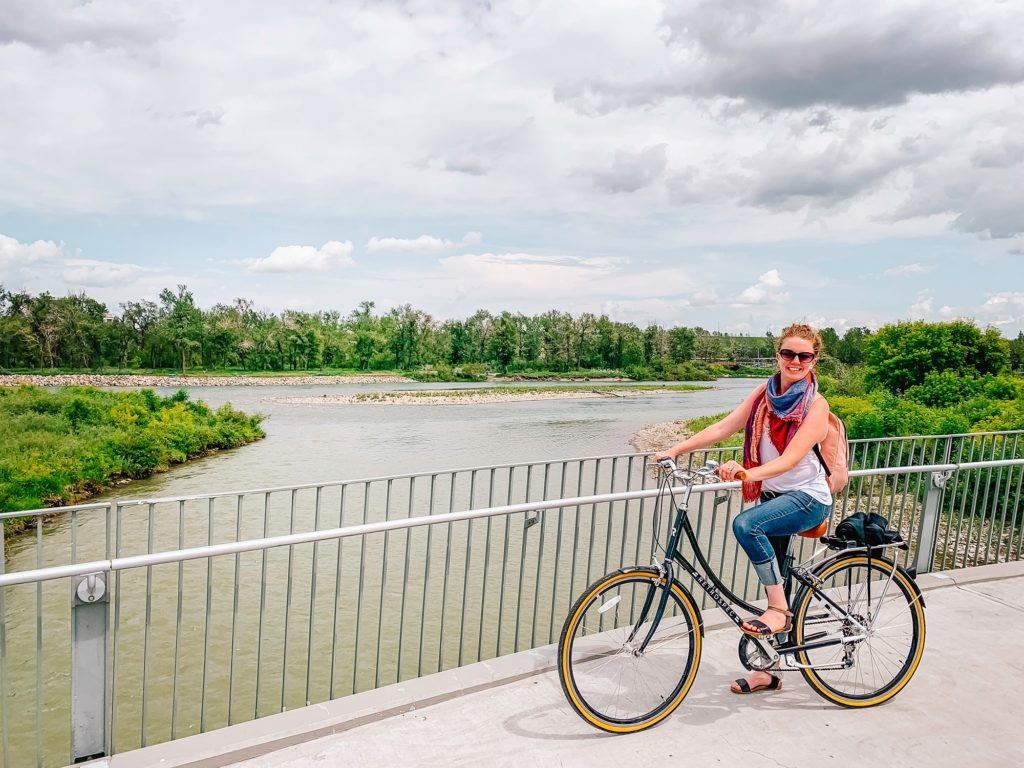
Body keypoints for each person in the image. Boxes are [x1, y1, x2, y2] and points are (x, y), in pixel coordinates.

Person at [652, 323, 832, 695]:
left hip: (808, 499)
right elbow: (724, 427)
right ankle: (768, 669)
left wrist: (747, 471)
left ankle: (778, 611)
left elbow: (792, 459)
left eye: (804, 356)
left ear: (814, 360)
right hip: (776, 499)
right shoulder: (764, 394)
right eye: (788, 354)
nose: (794, 361)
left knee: (747, 525)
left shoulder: (816, 405)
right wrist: (676, 450)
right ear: (778, 355)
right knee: (776, 575)